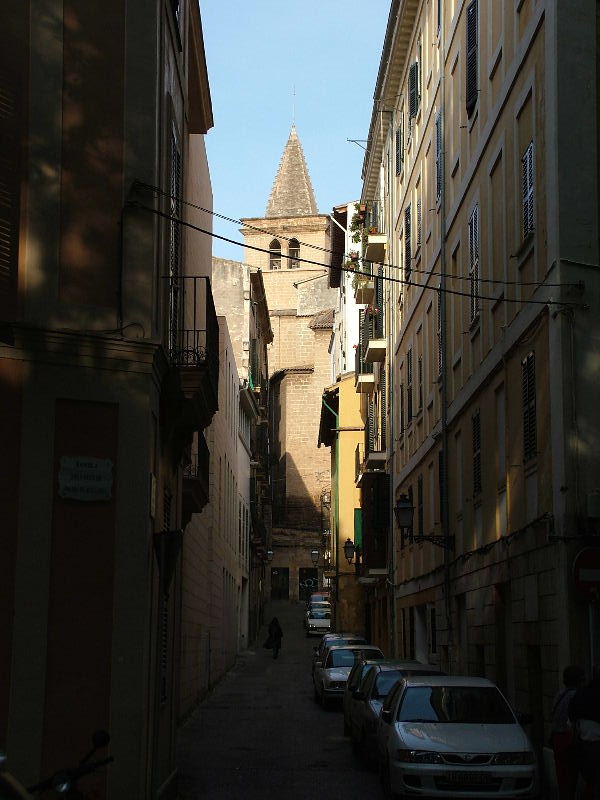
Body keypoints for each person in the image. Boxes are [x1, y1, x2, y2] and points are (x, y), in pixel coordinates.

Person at [550, 664, 585, 800]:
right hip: (568, 739)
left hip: (557, 738)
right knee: (571, 776)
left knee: (562, 776)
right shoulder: (575, 696)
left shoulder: (560, 694)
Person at [569, 664, 600, 800]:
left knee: (587, 781)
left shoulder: (581, 694)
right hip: (593, 744)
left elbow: (571, 718)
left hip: (583, 744)